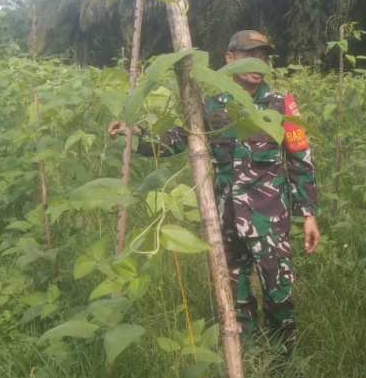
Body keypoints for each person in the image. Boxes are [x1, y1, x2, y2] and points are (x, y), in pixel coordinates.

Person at [108, 30, 320, 355]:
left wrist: (308, 214)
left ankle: (283, 361)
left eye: (263, 56)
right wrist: (132, 134)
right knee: (234, 297)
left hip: (269, 223)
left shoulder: (281, 105)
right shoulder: (210, 107)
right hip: (225, 222)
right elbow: (175, 139)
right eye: (249, 55)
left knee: (279, 294)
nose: (257, 62)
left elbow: (300, 160)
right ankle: (245, 357)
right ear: (229, 58)